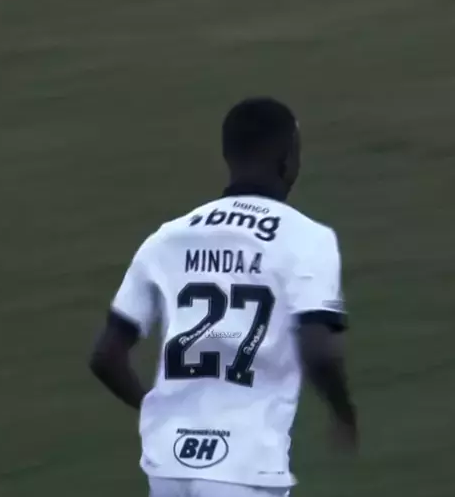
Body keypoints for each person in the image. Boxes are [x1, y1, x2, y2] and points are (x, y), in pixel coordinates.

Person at [89, 97, 358, 497]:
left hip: (169, 467)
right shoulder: (307, 238)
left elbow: (106, 357)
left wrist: (158, 412)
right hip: (245, 469)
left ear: (228, 155)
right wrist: (343, 412)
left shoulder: (167, 238)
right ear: (287, 159)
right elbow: (319, 351)